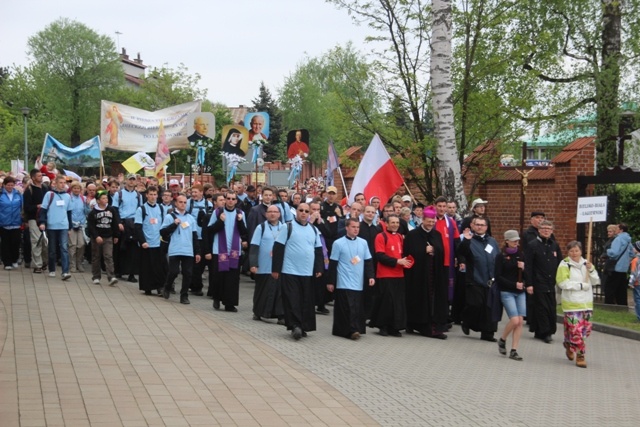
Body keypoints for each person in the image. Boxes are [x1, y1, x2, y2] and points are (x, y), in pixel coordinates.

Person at [271, 203, 324, 340]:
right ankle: (295, 326)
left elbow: (318, 250)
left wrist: (319, 268)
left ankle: (304, 326)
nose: (304, 213)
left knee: (306, 301)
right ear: (296, 212)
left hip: (307, 272)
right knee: (292, 299)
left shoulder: (313, 229)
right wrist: (276, 269)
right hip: (290, 270)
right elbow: (278, 248)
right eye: (301, 210)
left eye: (307, 211)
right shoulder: (287, 227)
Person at [404, 206, 449, 339]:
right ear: (423, 220)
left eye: (432, 221)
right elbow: (408, 253)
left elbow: (442, 250)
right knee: (419, 299)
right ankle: (415, 324)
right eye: (428, 221)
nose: (431, 224)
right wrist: (423, 251)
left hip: (434, 273)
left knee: (434, 300)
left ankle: (433, 327)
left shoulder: (437, 234)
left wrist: (435, 250)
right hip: (418, 274)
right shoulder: (413, 235)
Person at [327, 218, 375, 340]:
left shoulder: (363, 243)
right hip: (343, 280)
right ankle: (350, 331)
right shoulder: (338, 243)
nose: (356, 229)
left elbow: (368, 261)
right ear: (347, 228)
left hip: (358, 280)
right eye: (353, 227)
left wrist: (370, 276)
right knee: (347, 307)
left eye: (357, 227)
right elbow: (333, 264)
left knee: (356, 307)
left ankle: (356, 328)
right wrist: (330, 282)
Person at [556, 241, 600, 368]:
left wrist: (591, 270)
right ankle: (581, 355)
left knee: (586, 331)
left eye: (576, 251)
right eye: (571, 251)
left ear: (581, 251)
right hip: (572, 303)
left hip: (586, 303)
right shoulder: (564, 265)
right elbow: (562, 283)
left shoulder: (586, 263)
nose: (574, 253)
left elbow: (596, 281)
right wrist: (580, 286)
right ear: (568, 252)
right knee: (576, 331)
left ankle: (569, 344)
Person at [204, 191, 248, 312]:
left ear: (236, 201)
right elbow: (210, 229)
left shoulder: (240, 213)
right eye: (228, 198)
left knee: (232, 279)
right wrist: (220, 221)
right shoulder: (217, 212)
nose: (230, 201)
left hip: (234, 251)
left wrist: (240, 221)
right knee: (219, 277)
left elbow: (244, 232)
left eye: (233, 199)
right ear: (224, 199)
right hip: (219, 249)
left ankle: (230, 304)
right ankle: (217, 298)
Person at [458, 217, 500, 341]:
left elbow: (497, 258)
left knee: (490, 308)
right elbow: (461, 252)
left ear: (486, 227)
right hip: (475, 279)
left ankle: (488, 333)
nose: (480, 227)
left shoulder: (492, 241)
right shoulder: (469, 240)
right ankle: (466, 321)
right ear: (473, 226)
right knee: (475, 305)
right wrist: (466, 240)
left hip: (491, 280)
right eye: (477, 225)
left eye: (482, 225)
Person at [369, 215, 410, 337]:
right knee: (386, 302)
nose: (395, 225)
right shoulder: (381, 236)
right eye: (392, 222)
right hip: (385, 274)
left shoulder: (399, 237)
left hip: (399, 274)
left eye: (397, 222)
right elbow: (380, 256)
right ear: (386, 224)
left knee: (398, 303)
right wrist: (397, 261)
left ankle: (394, 326)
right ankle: (383, 326)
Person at [524, 220, 563, 343]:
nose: (546, 230)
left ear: (552, 231)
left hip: (551, 281)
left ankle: (545, 330)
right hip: (538, 281)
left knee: (551, 307)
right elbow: (528, 266)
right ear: (539, 230)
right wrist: (529, 283)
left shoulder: (554, 245)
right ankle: (545, 332)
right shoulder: (532, 245)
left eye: (549, 228)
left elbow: (561, 263)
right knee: (541, 307)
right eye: (544, 228)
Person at [160, 194, 201, 304]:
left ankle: (184, 295)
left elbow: (195, 236)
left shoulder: (190, 218)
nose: (183, 204)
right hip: (175, 248)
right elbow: (163, 232)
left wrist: (197, 252)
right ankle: (167, 287)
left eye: (184, 202)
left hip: (188, 250)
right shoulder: (170, 217)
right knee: (173, 272)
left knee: (188, 273)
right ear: (176, 203)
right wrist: (174, 224)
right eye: (180, 202)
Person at [249, 205, 285, 323]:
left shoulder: (284, 227)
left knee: (279, 292)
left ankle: (280, 315)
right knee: (262, 291)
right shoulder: (261, 227)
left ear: (279, 214)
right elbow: (254, 246)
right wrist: (253, 264)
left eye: (275, 212)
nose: (273, 214)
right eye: (270, 212)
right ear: (266, 214)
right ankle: (258, 312)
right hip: (264, 265)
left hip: (279, 266)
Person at [495, 230, 526, 361]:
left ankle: (514, 350)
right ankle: (502, 339)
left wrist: (523, 269)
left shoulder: (521, 255)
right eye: (513, 241)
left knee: (520, 322)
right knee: (514, 320)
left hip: (520, 293)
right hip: (507, 291)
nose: (516, 243)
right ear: (507, 241)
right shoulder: (500, 256)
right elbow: (498, 276)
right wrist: (514, 285)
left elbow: (527, 275)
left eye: (517, 241)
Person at [134, 186, 167, 295]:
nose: (153, 197)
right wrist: (143, 241)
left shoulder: (161, 208)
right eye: (151, 194)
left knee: (159, 267)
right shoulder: (141, 209)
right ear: (146, 195)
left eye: (155, 194)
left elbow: (163, 225)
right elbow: (138, 227)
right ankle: (147, 287)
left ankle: (160, 287)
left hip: (158, 242)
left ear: (157, 196)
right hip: (146, 243)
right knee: (146, 267)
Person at [39, 175, 72, 280]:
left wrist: (70, 227)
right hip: (52, 225)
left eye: (64, 183)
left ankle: (65, 271)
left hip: (63, 225)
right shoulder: (49, 194)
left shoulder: (67, 196)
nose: (63, 185)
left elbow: (69, 212)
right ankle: (52, 269)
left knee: (64, 248)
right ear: (56, 183)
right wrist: (42, 222)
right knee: (52, 249)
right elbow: (43, 210)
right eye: (60, 183)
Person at [112, 173, 143, 283]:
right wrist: (118, 222)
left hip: (133, 223)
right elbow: (115, 210)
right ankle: (118, 270)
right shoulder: (119, 194)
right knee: (121, 248)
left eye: (133, 180)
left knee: (133, 250)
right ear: (126, 181)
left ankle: (131, 273)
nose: (131, 182)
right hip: (123, 222)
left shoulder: (138, 195)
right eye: (130, 179)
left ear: (136, 182)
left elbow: (140, 210)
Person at [87, 190, 120, 286]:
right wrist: (96, 236)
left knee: (108, 256)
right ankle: (96, 276)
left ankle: (111, 276)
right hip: (97, 237)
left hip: (108, 236)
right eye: (103, 198)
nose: (106, 200)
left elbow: (115, 222)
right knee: (96, 257)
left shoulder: (111, 210)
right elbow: (91, 226)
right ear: (98, 200)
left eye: (106, 198)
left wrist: (116, 235)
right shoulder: (93, 212)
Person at [23, 169, 48, 273]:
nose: (40, 177)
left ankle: (44, 261)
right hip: (33, 218)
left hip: (45, 218)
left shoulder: (46, 188)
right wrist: (37, 206)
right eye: (38, 176)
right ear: (33, 177)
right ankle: (37, 265)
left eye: (41, 176)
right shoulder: (29, 190)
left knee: (45, 241)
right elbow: (27, 207)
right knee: (36, 241)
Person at [605, 223, 633, 306]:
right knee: (621, 289)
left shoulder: (618, 239)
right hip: (624, 268)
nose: (615, 229)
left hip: (616, 267)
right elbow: (632, 253)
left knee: (609, 287)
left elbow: (614, 253)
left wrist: (608, 251)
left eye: (617, 228)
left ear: (621, 230)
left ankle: (608, 305)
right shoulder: (628, 239)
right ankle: (622, 305)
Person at [0, 176, 23, 270]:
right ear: (4, 185)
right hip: (4, 222)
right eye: (8, 185)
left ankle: (14, 259)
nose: (10, 187)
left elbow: (22, 207)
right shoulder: (1, 194)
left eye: (12, 185)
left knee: (15, 243)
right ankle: (7, 262)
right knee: (5, 244)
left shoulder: (18, 194)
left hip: (16, 222)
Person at [628, 241, 640, 321]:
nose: (632, 248)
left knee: (638, 299)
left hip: (637, 282)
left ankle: (639, 317)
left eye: (634, 247)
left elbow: (634, 272)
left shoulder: (635, 260)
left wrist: (631, 282)